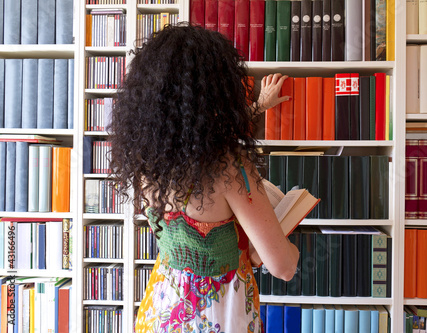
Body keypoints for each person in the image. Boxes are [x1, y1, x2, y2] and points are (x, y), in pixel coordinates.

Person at [109, 23, 299, 332]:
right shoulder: (228, 169)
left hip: (162, 312)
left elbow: (194, 135)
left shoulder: (144, 160)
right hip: (217, 317)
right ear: (218, 94)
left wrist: (258, 107)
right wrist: (291, 249)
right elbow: (283, 268)